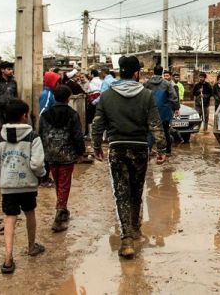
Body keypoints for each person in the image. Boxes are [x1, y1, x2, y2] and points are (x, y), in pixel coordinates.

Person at [91, 56, 168, 259]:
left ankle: (126, 239)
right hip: (140, 148)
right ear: (136, 73)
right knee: (136, 190)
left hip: (117, 148)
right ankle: (134, 230)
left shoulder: (106, 96)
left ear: (120, 72)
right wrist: (162, 149)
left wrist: (96, 146)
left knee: (121, 192)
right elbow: (155, 124)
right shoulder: (147, 95)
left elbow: (97, 124)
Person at [0, 99, 46, 274]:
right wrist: (40, 175)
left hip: (8, 186)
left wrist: (0, 175)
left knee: (10, 218)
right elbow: (37, 164)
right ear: (24, 116)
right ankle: (31, 246)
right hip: (28, 186)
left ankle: (8, 258)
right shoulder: (33, 137)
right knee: (30, 213)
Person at [39, 85, 86, 232]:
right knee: (64, 183)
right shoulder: (72, 114)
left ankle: (62, 207)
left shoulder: (45, 115)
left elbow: (41, 134)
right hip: (67, 155)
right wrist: (80, 153)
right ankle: (60, 210)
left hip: (50, 154)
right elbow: (78, 135)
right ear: (68, 97)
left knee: (58, 181)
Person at [145, 66, 179, 155]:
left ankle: (148, 150)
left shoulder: (147, 83)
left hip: (151, 112)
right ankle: (167, 151)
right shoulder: (167, 84)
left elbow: (143, 96)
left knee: (150, 132)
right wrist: (176, 108)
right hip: (164, 112)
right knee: (166, 131)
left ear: (153, 72)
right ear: (162, 72)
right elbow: (174, 97)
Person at [0, 61, 18, 131]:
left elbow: (15, 95)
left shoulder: (13, 82)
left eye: (12, 69)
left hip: (10, 110)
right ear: (2, 70)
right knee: (0, 130)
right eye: (9, 69)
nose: (11, 71)